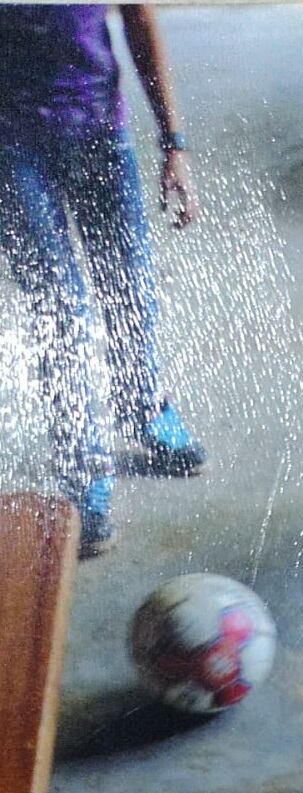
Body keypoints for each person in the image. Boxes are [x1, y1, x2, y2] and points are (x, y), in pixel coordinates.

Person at [0, 4, 206, 555]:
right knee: (58, 310)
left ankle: (143, 407)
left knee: (130, 287)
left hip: (98, 132)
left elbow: (141, 22)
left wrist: (174, 145)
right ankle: (81, 465)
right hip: (10, 149)